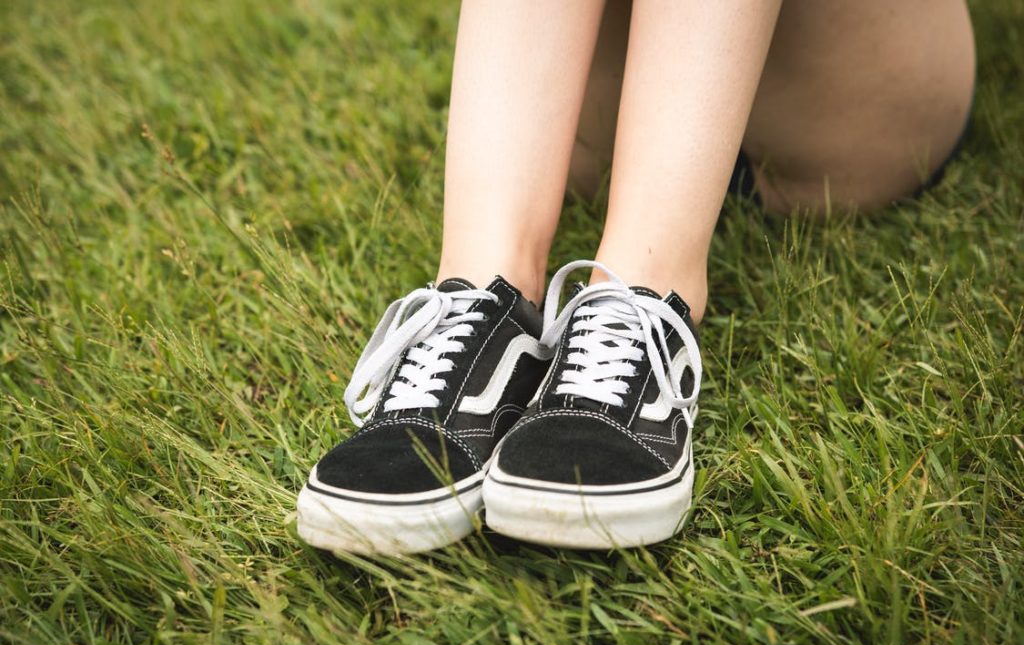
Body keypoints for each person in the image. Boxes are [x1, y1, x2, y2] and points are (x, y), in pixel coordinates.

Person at [296, 1, 975, 554]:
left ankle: (645, 280)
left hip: (838, 113)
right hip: (598, 125)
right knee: (489, 269)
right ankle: (485, 291)